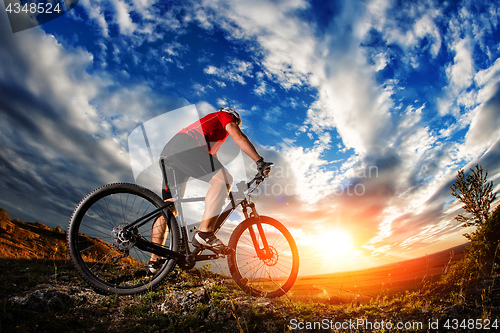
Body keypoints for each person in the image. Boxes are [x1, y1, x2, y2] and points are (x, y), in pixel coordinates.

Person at [148, 107, 272, 272]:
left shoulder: (210, 132)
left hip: (169, 154)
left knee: (170, 208)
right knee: (224, 180)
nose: (234, 126)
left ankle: (154, 261)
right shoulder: (224, 116)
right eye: (235, 123)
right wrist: (260, 162)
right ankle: (204, 233)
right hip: (184, 147)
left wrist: (223, 187)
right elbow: (240, 138)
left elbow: (211, 159)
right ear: (233, 118)